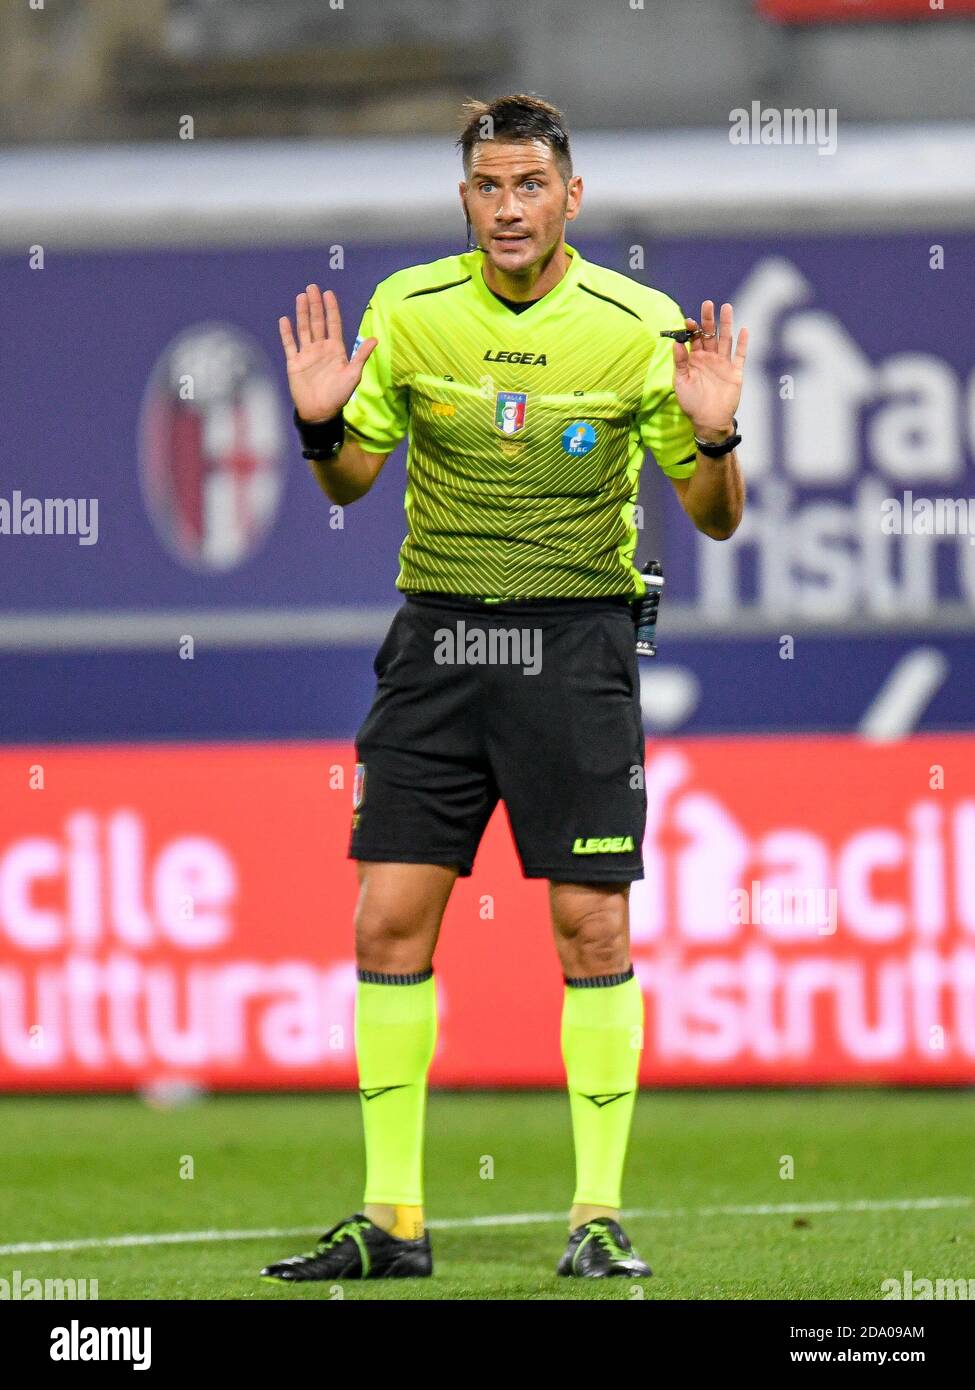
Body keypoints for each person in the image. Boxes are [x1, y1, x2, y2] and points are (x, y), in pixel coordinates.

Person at [262, 93, 747, 1283]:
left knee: (590, 927)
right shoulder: (409, 311)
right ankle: (394, 1221)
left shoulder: (639, 325)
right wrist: (321, 430)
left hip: (575, 648)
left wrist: (720, 440)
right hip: (435, 648)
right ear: (465, 197)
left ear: (571, 198)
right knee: (386, 920)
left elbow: (716, 520)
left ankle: (596, 1216)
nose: (510, 207)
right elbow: (351, 484)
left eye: (533, 185)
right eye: (490, 186)